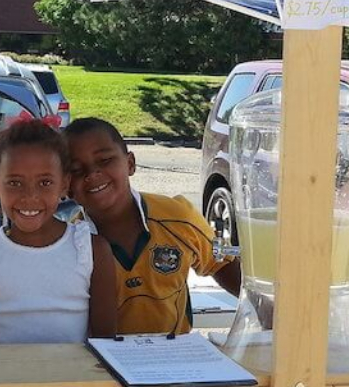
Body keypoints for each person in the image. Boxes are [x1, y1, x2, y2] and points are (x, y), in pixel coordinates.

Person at [65, 118, 241, 336]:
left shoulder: (180, 216)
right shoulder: (66, 242)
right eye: (76, 169)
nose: (92, 174)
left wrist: (268, 313)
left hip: (174, 360)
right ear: (66, 186)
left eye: (105, 160)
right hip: (100, 363)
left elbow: (223, 261)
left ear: (130, 163)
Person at [0, 118, 117, 344]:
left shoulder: (93, 251)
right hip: (2, 379)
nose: (30, 196)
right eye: (14, 183)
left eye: (44, 183)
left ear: (64, 184)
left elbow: (105, 345)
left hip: (75, 379)